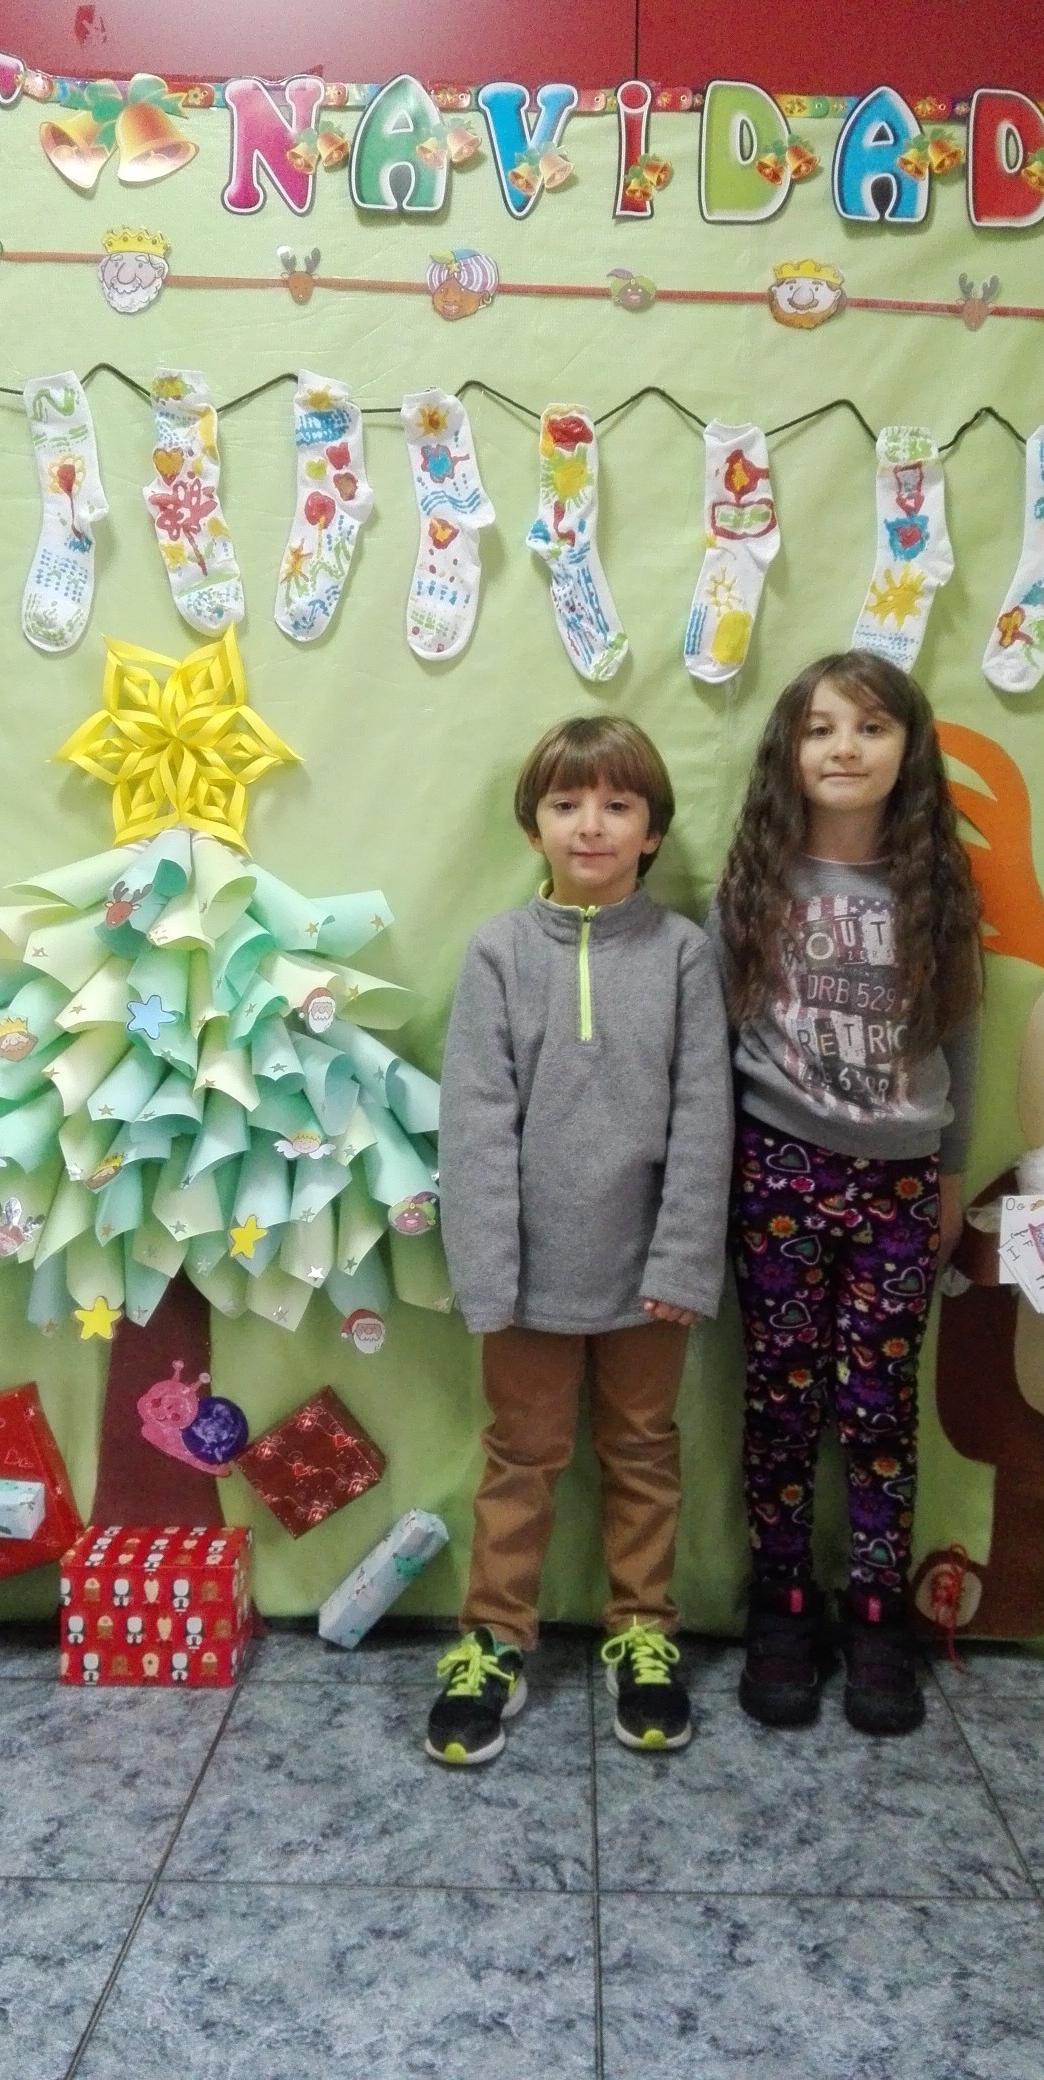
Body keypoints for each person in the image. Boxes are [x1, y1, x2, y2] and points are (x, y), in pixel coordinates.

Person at [430, 716, 733, 1766]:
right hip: (526, 1281)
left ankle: (644, 1633)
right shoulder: (499, 952)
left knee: (644, 1454)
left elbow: (704, 1120)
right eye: (566, 804)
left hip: (649, 1275)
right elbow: (473, 1126)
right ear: (535, 828)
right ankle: (493, 1639)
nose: (591, 825)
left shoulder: (685, 955)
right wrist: (487, 1275)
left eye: (616, 804)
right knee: (519, 1459)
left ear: (652, 831)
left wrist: (683, 1260)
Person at [710, 651, 982, 1736]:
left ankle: (876, 1610)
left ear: (908, 751)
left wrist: (950, 1175)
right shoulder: (754, 882)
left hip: (902, 1182)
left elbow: (964, 1038)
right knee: (780, 1400)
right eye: (821, 728)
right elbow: (712, 1045)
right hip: (778, 1167)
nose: (844, 749)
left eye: (871, 728)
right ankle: (782, 1600)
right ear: (789, 749)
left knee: (878, 1407)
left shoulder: (938, 890)